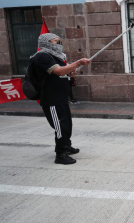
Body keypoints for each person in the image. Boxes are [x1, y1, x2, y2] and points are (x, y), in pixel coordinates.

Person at [29, 33, 91, 165]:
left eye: (59, 41)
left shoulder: (56, 56)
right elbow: (59, 71)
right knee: (60, 126)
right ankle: (61, 154)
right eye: (56, 41)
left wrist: (71, 72)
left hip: (61, 97)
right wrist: (78, 63)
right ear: (47, 43)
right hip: (51, 98)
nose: (59, 44)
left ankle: (66, 146)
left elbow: (63, 71)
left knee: (67, 124)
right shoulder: (42, 56)